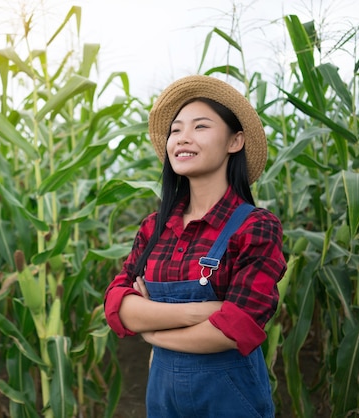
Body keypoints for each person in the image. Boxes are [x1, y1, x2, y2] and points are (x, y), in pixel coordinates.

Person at [104, 75, 287, 417]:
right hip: (163, 401)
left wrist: (153, 332)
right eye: (175, 130)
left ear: (235, 141)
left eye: (200, 127)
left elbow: (237, 328)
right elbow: (117, 306)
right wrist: (197, 313)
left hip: (231, 402)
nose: (182, 138)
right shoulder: (154, 229)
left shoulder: (255, 227)